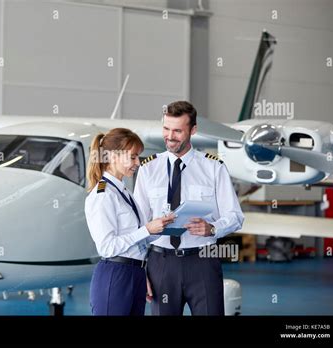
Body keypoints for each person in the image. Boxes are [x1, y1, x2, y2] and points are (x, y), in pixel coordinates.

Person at [134, 101, 244, 316]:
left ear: (193, 130)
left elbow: (235, 216)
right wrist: (140, 270)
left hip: (203, 262)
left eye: (177, 131)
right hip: (160, 264)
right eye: (166, 129)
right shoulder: (148, 168)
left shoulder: (214, 167)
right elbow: (139, 225)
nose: (170, 136)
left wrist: (212, 228)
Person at [85, 128, 175, 316]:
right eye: (132, 157)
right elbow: (107, 248)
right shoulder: (103, 195)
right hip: (116, 274)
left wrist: (162, 228)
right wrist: (147, 230)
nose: (137, 163)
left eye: (138, 157)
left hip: (137, 273)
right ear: (112, 156)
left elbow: (136, 237)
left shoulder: (124, 192)